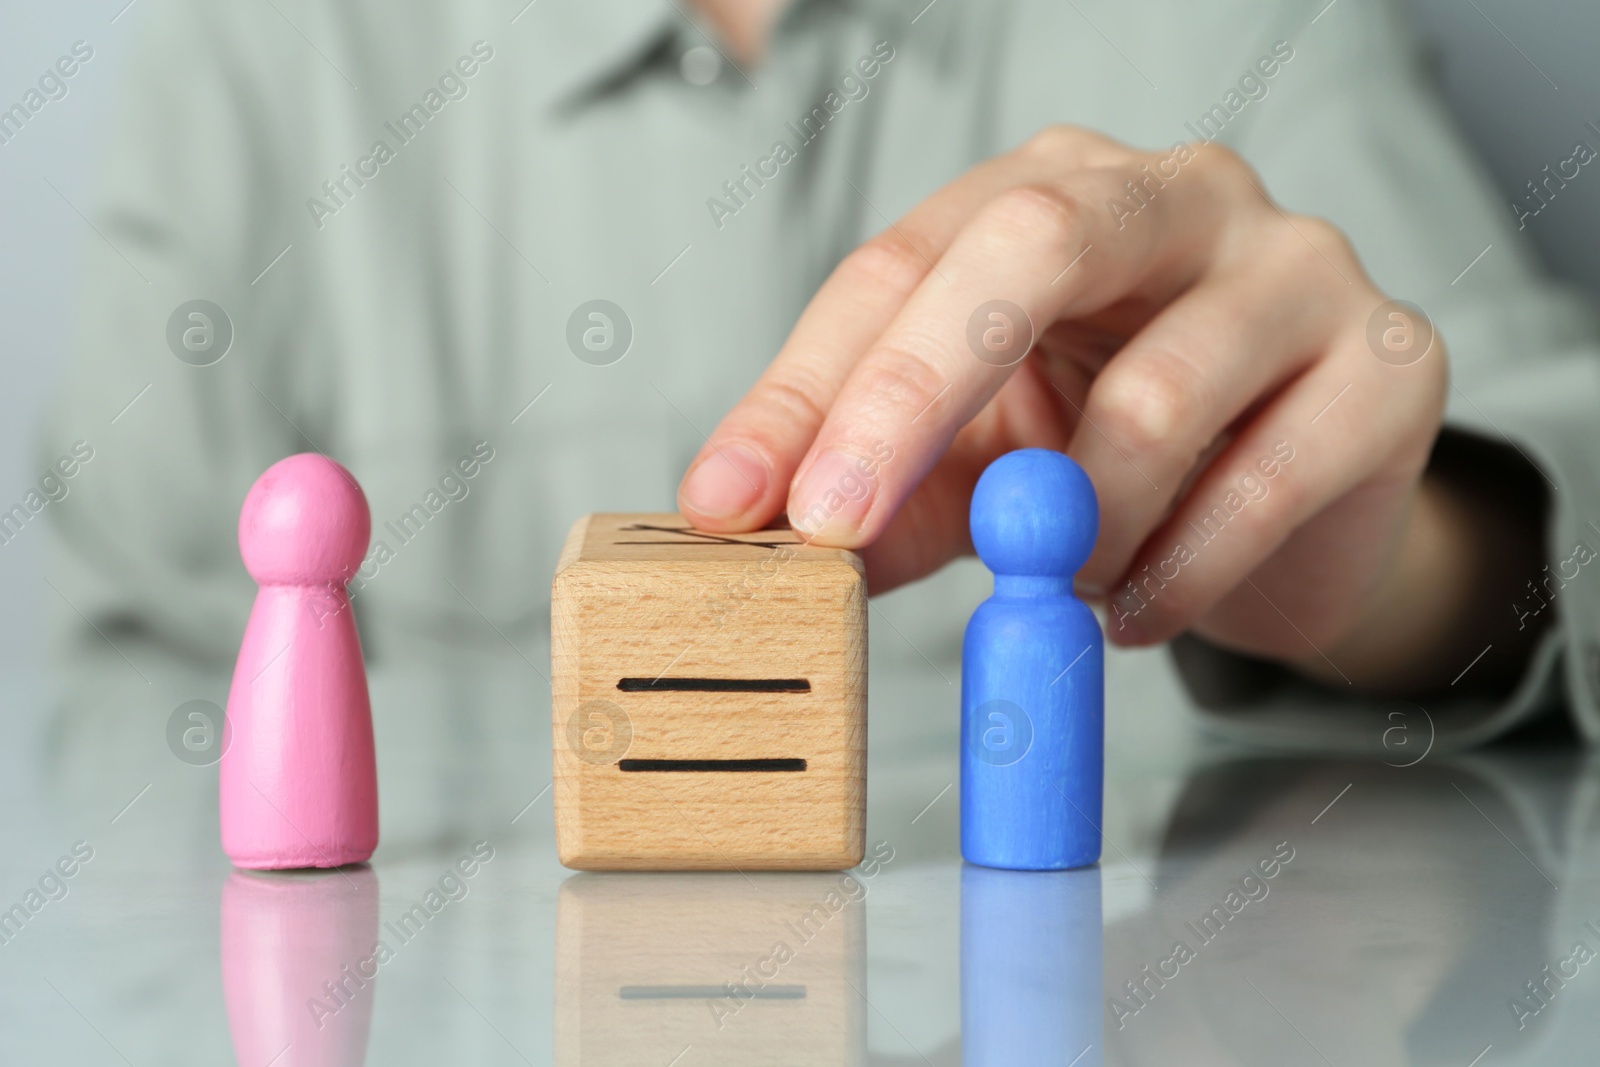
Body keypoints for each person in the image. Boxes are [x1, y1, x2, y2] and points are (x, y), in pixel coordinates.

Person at [43, 0, 1600, 745]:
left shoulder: (1247, 27)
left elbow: (1554, 454)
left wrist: (1406, 573)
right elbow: (108, 712)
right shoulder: (258, 54)